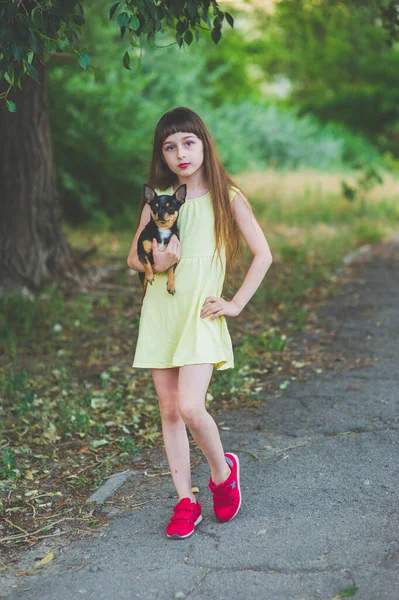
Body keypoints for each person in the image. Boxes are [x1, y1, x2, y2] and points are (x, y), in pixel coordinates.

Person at [127, 107, 272, 539]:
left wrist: (235, 304)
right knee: (169, 410)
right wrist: (158, 260)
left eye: (188, 142)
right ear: (163, 156)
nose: (180, 153)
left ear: (204, 143)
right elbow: (134, 256)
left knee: (191, 407)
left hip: (200, 314)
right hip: (160, 311)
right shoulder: (159, 203)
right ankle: (185, 500)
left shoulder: (229, 197)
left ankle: (222, 472)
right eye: (170, 147)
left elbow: (263, 256)